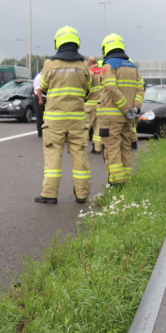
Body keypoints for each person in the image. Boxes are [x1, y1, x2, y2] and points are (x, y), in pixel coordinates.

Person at [35, 26, 92, 205]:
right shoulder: (83, 66)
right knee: (80, 156)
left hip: (54, 121)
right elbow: (88, 89)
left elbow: (43, 86)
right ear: (76, 43)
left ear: (58, 43)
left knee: (53, 156)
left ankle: (50, 194)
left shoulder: (50, 64)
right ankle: (82, 194)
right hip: (77, 120)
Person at [98, 33, 145, 186]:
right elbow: (140, 90)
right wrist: (135, 109)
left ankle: (117, 185)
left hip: (112, 119)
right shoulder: (133, 67)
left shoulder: (108, 65)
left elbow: (111, 87)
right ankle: (127, 182)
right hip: (129, 119)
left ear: (106, 47)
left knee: (112, 149)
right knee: (126, 149)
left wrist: (125, 108)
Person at [85, 56, 103, 154]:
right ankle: (97, 148)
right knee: (98, 128)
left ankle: (80, 147)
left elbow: (86, 87)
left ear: (89, 63)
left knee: (86, 126)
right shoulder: (102, 71)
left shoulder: (90, 73)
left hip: (90, 104)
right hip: (101, 104)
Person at [33, 68, 44, 137]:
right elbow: (38, 89)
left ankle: (44, 130)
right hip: (39, 97)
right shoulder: (39, 77)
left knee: (45, 116)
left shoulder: (44, 76)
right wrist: (40, 99)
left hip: (45, 98)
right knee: (40, 115)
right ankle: (40, 132)